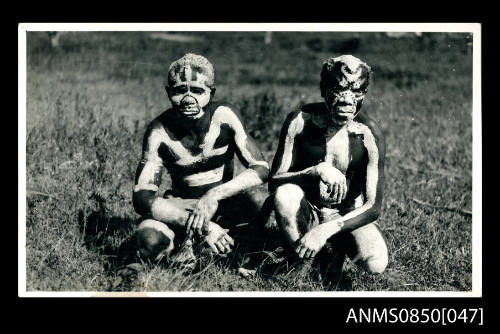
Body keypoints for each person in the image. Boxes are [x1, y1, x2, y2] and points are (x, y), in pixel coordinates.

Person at [128, 53, 270, 267]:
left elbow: (260, 168)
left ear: (210, 93)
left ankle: (244, 254)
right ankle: (187, 247)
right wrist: (202, 225)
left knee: (261, 199)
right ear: (168, 93)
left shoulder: (224, 116)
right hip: (182, 209)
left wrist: (214, 195)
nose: (188, 99)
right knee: (148, 241)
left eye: (197, 91)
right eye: (179, 91)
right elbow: (142, 198)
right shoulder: (159, 132)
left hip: (223, 205)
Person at [269, 55, 388, 278]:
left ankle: (329, 248)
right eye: (338, 88)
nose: (346, 100)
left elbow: (373, 206)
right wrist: (314, 171)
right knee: (285, 194)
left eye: (356, 91)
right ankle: (300, 258)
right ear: (323, 89)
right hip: (308, 210)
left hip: (345, 216)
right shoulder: (300, 121)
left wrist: (326, 229)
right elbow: (274, 181)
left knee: (376, 263)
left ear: (365, 93)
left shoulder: (369, 133)